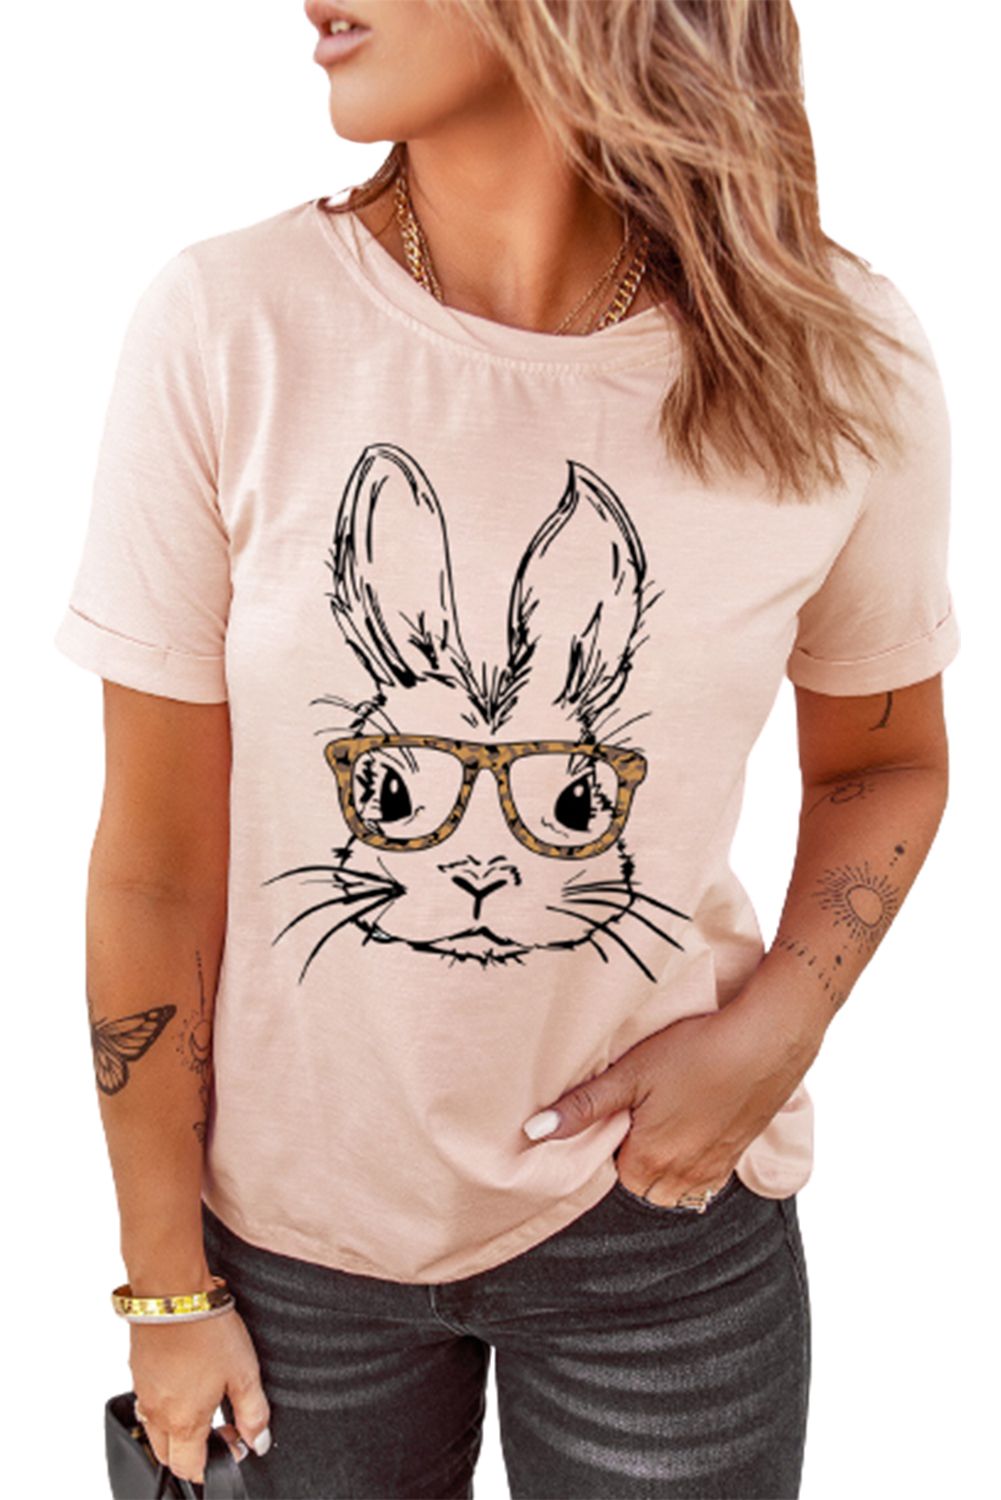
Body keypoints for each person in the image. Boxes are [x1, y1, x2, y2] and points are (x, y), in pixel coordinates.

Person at [55, 2, 961, 1497]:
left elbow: (885, 762)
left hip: (661, 1223)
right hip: (288, 1248)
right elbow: (153, 865)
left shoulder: (834, 357)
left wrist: (779, 1027)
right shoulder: (231, 327)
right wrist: (163, 1286)